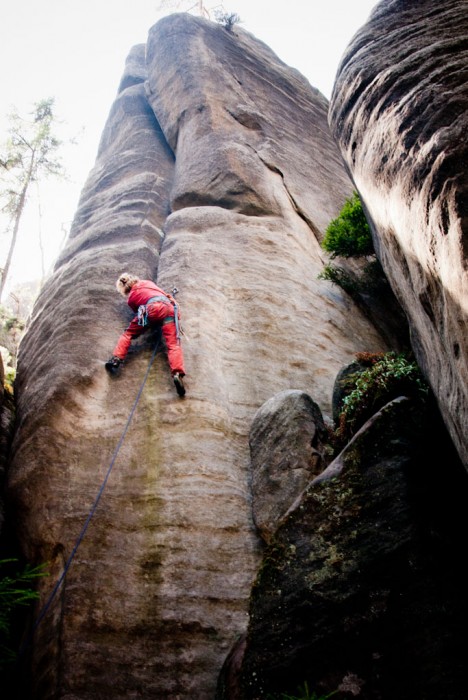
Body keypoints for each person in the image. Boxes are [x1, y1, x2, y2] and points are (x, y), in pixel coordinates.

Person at [106, 272, 186, 397]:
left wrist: (146, 324)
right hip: (169, 309)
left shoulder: (131, 298)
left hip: (151, 310)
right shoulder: (149, 283)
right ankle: (177, 374)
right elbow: (166, 296)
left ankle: (117, 358)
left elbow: (139, 312)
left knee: (128, 334)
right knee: (173, 344)